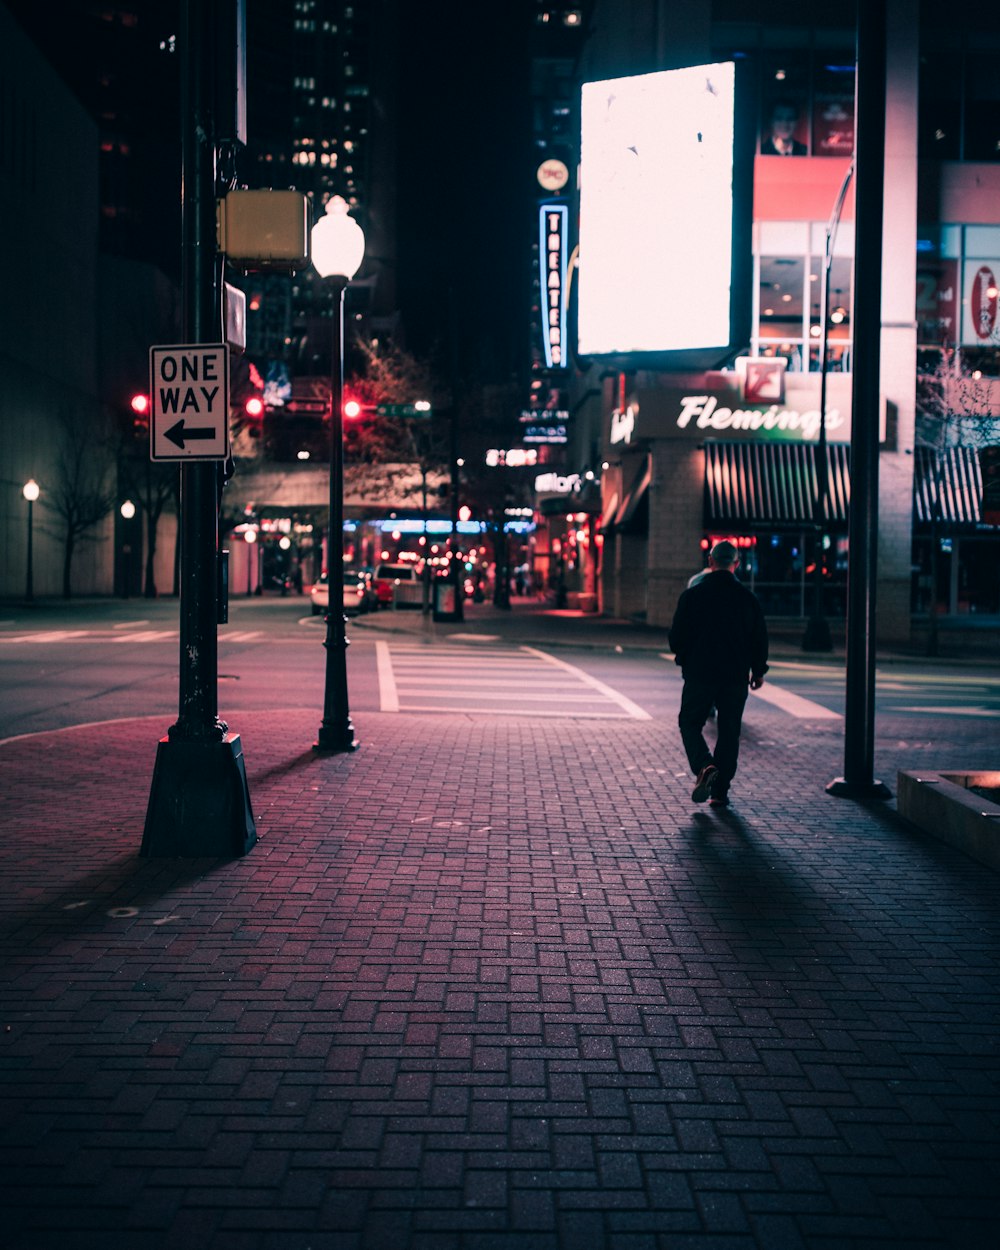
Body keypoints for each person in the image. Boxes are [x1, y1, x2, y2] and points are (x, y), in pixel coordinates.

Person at [668, 540, 769, 808]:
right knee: (729, 730)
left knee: (689, 722)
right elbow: (759, 638)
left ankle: (705, 765)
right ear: (736, 565)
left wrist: (684, 659)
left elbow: (677, 636)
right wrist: (758, 670)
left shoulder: (692, 596)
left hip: (700, 672)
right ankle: (720, 792)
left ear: (710, 562)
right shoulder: (748, 599)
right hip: (734, 675)